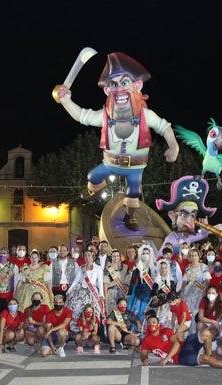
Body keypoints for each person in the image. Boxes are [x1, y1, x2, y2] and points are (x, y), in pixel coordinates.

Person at [58, 51, 180, 230]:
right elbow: (82, 116)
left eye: (124, 83)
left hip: (135, 167)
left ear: (137, 86)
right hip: (110, 163)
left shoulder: (146, 115)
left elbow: (164, 127)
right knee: (92, 177)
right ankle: (95, 190)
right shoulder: (105, 116)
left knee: (134, 193)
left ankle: (129, 217)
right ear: (108, 91)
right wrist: (66, 101)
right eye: (113, 85)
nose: (119, 89)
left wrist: (174, 146)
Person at [140, 314, 222, 370]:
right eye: (149, 323)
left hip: (186, 344)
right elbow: (143, 354)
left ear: (158, 324)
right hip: (181, 357)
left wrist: (166, 359)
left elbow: (177, 342)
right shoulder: (147, 339)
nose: (151, 324)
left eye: (153, 322)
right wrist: (144, 360)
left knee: (205, 333)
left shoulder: (166, 331)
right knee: (205, 359)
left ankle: (210, 354)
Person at [67, 249, 105, 331]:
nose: (87, 257)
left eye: (89, 255)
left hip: (92, 292)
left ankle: (91, 329)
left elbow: (100, 283)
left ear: (92, 256)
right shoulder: (81, 268)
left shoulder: (98, 268)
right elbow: (76, 281)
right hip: (80, 291)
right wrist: (69, 291)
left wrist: (101, 294)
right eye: (85, 255)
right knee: (75, 307)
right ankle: (78, 328)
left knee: (92, 309)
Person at [180, 248, 210, 334]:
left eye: (195, 255)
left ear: (198, 256)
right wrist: (182, 289)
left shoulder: (203, 266)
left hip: (200, 290)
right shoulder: (188, 267)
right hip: (189, 290)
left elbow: (207, 280)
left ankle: (194, 331)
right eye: (192, 255)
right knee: (187, 310)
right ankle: (185, 331)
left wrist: (205, 290)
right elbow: (185, 280)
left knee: (196, 310)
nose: (193, 257)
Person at [0, 247, 20, 323]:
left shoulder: (14, 267)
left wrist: (15, 293)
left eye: (5, 253)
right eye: (1, 253)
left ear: (8, 255)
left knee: (6, 314)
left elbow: (16, 281)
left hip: (8, 295)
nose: (3, 255)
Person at [127, 246, 156, 322]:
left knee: (146, 311)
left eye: (147, 253)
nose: (145, 255)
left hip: (150, 292)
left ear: (150, 255)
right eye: (143, 253)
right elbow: (133, 280)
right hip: (139, 291)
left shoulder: (154, 267)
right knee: (136, 310)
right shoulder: (138, 266)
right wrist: (130, 293)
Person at [104, 248, 131, 315]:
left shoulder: (125, 267)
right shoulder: (108, 268)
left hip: (124, 292)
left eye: (117, 256)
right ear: (111, 257)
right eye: (113, 256)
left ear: (119, 257)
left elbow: (129, 281)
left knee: (123, 312)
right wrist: (105, 295)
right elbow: (105, 283)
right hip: (112, 293)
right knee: (112, 312)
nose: (115, 258)